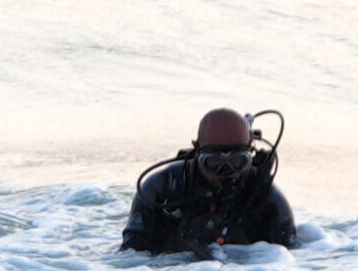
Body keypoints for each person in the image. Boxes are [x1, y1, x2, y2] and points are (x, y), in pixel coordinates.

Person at [119, 106, 296, 256]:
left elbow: (285, 261)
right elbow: (131, 255)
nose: (225, 172)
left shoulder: (269, 202)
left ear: (250, 154)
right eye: (213, 162)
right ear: (197, 151)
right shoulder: (161, 189)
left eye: (237, 162)